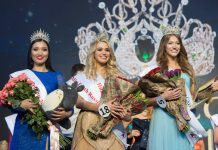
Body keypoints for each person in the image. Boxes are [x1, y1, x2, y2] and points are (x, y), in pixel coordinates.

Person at [139, 25, 218, 150]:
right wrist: (162, 97)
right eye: (170, 43)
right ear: (164, 46)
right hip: (163, 118)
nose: (174, 46)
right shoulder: (156, 71)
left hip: (183, 120)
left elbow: (192, 100)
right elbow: (143, 102)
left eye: (177, 43)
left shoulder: (187, 70)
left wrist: (211, 89)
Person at [6, 29, 72, 150]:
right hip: (24, 132)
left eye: (44, 49)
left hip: (49, 130)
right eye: (35, 49)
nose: (40, 53)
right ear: (30, 53)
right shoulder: (21, 76)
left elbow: (69, 104)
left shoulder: (57, 76)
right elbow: (9, 104)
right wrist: (21, 104)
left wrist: (66, 113)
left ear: (48, 53)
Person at [68, 33, 130, 150]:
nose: (104, 52)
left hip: (113, 128)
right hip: (88, 124)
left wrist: (124, 114)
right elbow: (78, 102)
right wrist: (103, 107)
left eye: (107, 50)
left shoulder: (119, 77)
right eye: (99, 49)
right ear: (93, 53)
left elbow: (128, 112)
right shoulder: (83, 76)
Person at [59, 63, 85, 150]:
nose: (81, 79)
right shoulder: (64, 91)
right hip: (63, 134)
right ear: (73, 77)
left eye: (84, 76)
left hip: (78, 135)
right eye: (79, 76)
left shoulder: (90, 94)